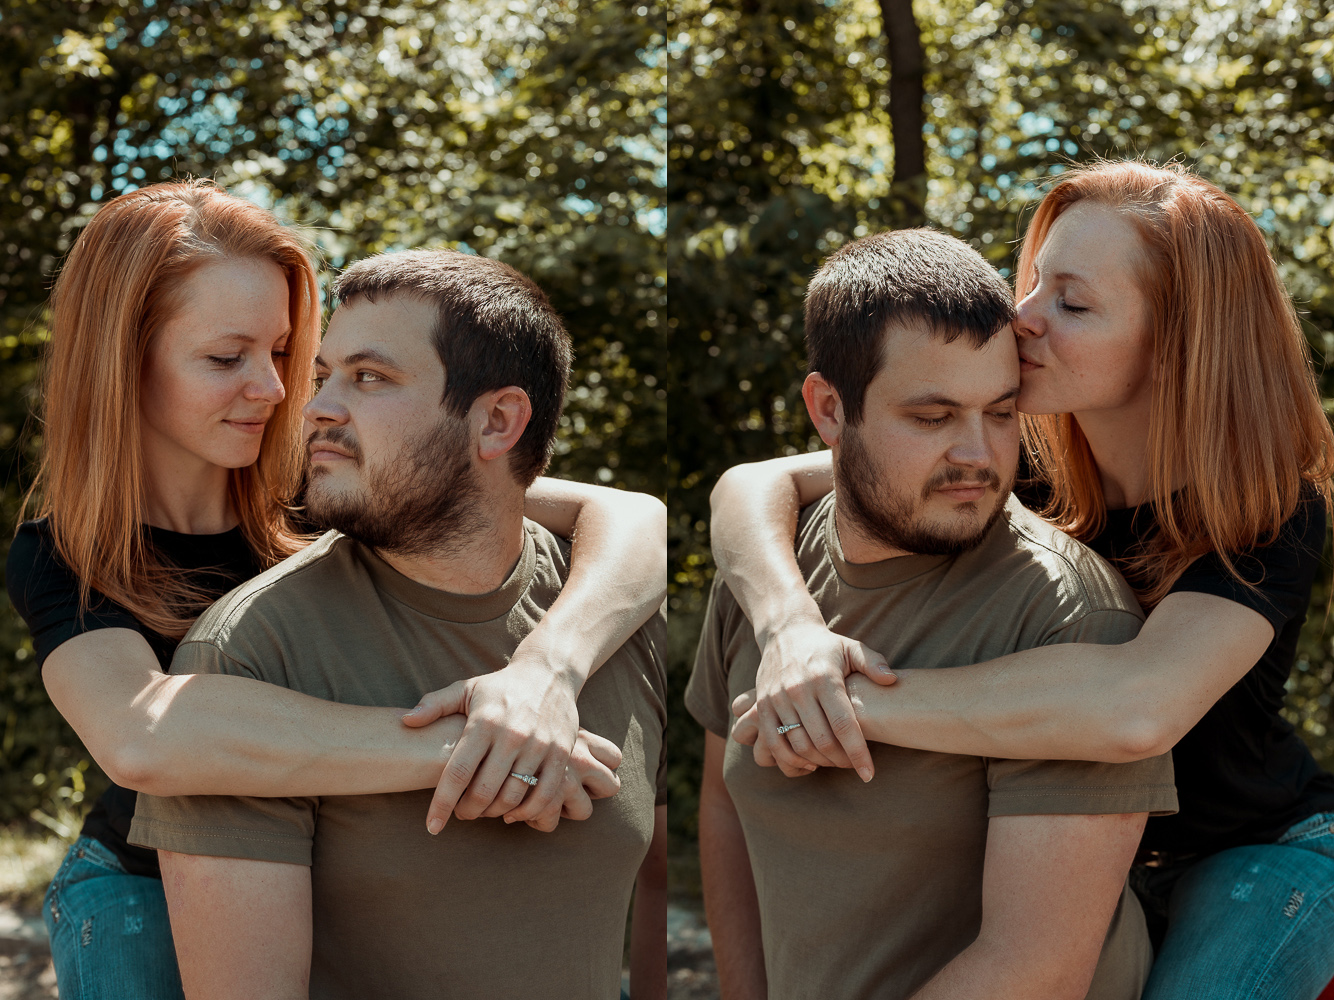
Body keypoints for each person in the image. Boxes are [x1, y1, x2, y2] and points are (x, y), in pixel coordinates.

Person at [5, 180, 666, 999]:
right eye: (226, 358)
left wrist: (543, 675)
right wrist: (479, 749)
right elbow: (144, 737)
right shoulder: (66, 552)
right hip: (137, 886)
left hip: (327, 851)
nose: (278, 390)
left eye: (283, 353)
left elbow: (629, 519)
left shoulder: (323, 482)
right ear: (121, 361)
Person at [710, 160, 1334, 998]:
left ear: (1177, 345)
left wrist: (845, 704)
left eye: (1071, 304)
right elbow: (754, 485)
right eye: (1034, 281)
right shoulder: (1013, 452)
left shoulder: (1264, 504)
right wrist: (789, 631)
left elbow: (1135, 706)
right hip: (1093, 846)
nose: (1022, 317)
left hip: (1256, 855)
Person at [688, 227, 1177, 1000]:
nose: (979, 455)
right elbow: (725, 807)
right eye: (932, 417)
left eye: (1002, 412)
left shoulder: (1069, 616)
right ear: (828, 409)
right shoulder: (765, 575)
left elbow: (1035, 972)